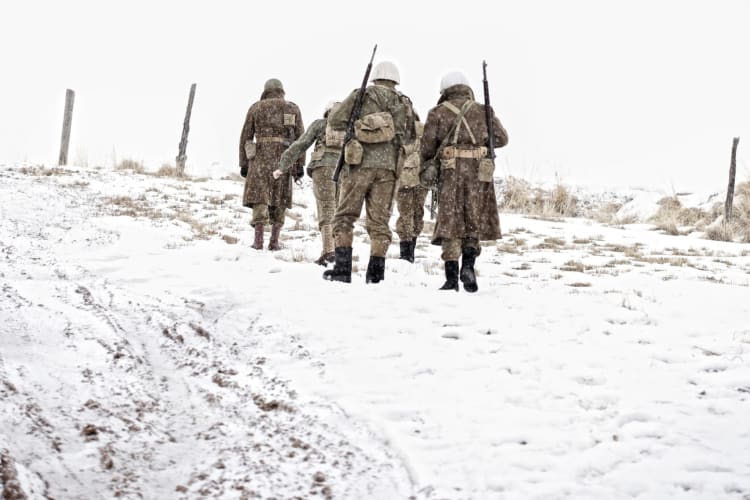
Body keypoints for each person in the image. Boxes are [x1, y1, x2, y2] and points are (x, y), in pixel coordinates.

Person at [323, 61, 416, 284]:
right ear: (396, 80)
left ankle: (343, 270)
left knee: (345, 216)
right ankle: (376, 275)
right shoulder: (403, 102)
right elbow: (411, 136)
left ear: (374, 77)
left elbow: (335, 120)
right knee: (379, 222)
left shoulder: (361, 95)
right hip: (388, 169)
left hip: (359, 164)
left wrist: (357, 125)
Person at [420, 71, 508, 292]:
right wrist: (480, 145)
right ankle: (468, 267)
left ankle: (451, 278)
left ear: (445, 90)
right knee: (473, 220)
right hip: (478, 174)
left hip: (450, 173)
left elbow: (427, 148)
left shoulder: (437, 113)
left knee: (450, 223)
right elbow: (501, 139)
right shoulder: (482, 111)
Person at [239, 78, 304, 251]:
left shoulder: (256, 107)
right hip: (284, 158)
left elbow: (245, 136)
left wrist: (244, 163)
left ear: (265, 91)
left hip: (260, 158)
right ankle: (274, 241)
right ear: (282, 91)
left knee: (260, 196)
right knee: (280, 197)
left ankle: (258, 241)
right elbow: (301, 139)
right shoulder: (292, 108)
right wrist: (299, 164)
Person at [274, 101, 342, 265]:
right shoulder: (351, 128)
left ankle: (329, 252)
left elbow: (301, 144)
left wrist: (283, 165)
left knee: (327, 208)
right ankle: (336, 252)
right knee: (340, 211)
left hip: (323, 168)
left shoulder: (320, 124)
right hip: (345, 169)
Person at [394, 119, 427, 263]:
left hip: (404, 178)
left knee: (405, 214)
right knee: (417, 212)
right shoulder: (425, 130)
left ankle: (406, 254)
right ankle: (410, 250)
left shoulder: (398, 129)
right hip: (422, 178)